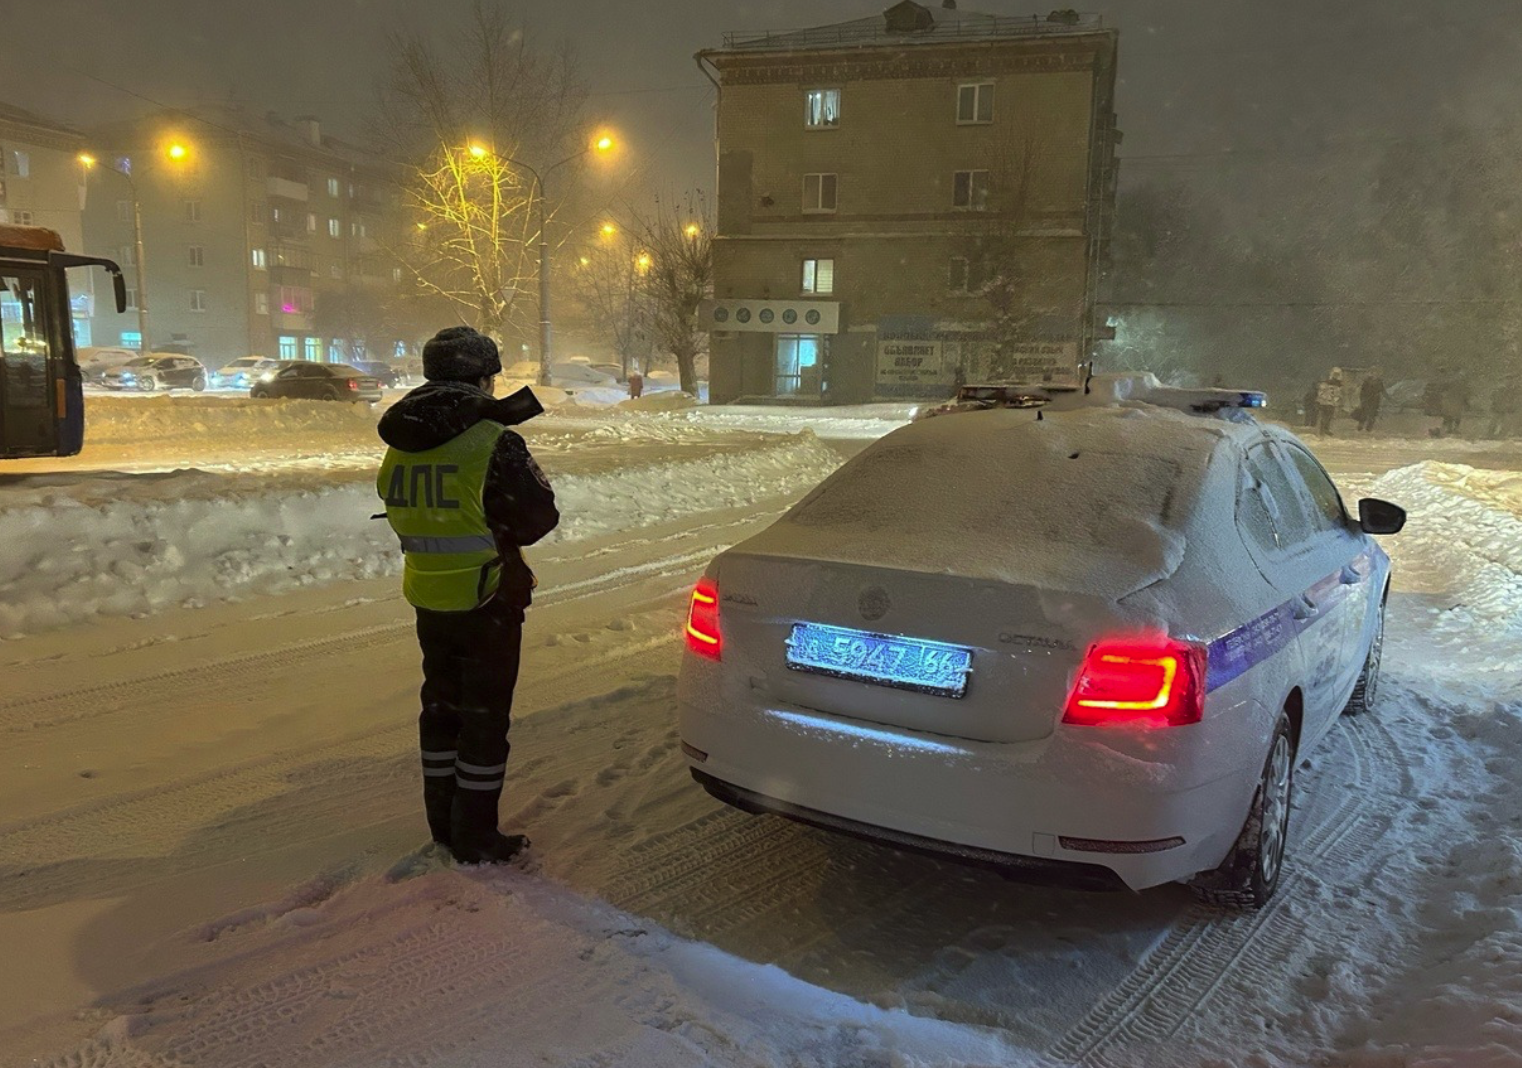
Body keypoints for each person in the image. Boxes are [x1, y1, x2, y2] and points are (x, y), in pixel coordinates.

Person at [376, 326, 559, 864]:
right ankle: (476, 838)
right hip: (487, 597)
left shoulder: (404, 441)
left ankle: (444, 825)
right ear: (481, 379)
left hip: (428, 593)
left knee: (441, 710)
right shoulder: (492, 439)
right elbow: (536, 518)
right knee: (483, 719)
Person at [1356, 368, 1385, 433]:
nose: (1375, 374)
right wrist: (1362, 399)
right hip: (1367, 399)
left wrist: (1389, 399)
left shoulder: (1379, 381)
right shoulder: (1367, 381)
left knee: (1373, 414)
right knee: (1364, 412)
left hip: (1375, 400)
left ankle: (1369, 428)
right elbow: (1362, 391)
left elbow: (1382, 390)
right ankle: (1360, 425)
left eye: (1377, 372)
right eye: (1374, 372)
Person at [1316, 370, 1342, 435]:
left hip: (1328, 403)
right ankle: (1323, 430)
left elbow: (1337, 395)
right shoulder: (1329, 384)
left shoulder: (1335, 385)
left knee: (1328, 417)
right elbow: (1321, 393)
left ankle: (1324, 430)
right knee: (1326, 416)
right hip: (1326, 403)